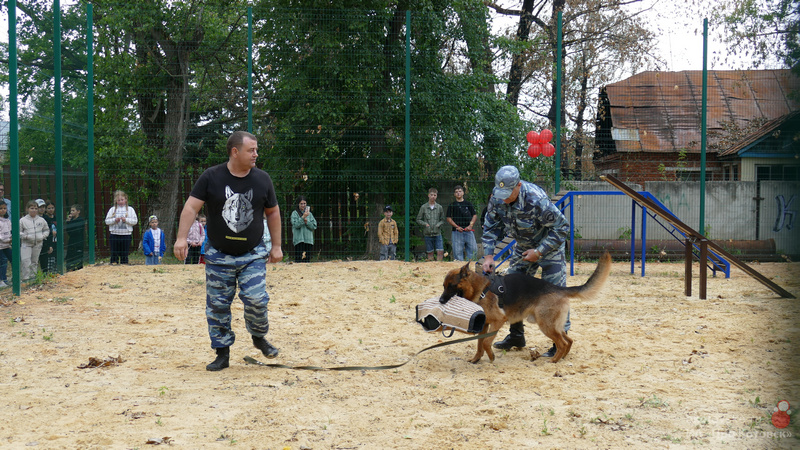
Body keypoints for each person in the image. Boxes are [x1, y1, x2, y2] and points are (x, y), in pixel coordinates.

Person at [174, 130, 283, 372]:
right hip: (218, 253)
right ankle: (222, 353)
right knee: (218, 305)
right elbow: (191, 208)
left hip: (252, 253)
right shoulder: (211, 177)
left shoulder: (262, 179)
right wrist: (181, 238)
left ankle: (258, 336)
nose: (256, 154)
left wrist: (276, 246)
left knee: (256, 299)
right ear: (235, 152)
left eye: (256, 149)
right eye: (251, 150)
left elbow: (273, 212)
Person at [481, 165, 570, 358]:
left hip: (549, 248)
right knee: (510, 287)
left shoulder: (536, 199)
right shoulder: (497, 198)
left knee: (554, 294)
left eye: (508, 193)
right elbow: (490, 227)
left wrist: (539, 252)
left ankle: (560, 343)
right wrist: (489, 256)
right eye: (501, 193)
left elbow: (562, 228)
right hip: (522, 247)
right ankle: (516, 336)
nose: (504, 198)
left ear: (518, 186)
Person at [105, 190, 138, 264]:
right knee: (114, 253)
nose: (120, 201)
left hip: (126, 235)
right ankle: (114, 266)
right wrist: (114, 220)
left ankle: (124, 267)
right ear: (116, 201)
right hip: (114, 234)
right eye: (118, 200)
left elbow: (135, 221)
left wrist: (126, 220)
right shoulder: (112, 210)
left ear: (126, 200)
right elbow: (107, 221)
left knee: (124, 253)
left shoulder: (130, 210)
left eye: (122, 200)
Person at [446, 185, 478, 261]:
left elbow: (474, 215)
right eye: (456, 192)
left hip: (468, 231)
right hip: (457, 232)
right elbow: (448, 218)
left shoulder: (468, 204)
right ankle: (460, 270)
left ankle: (470, 268)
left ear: (463, 192)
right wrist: (456, 226)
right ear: (454, 194)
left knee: (473, 250)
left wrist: (470, 226)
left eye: (460, 191)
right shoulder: (452, 205)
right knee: (457, 253)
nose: (458, 193)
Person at [20, 200, 50, 281]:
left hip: (38, 243)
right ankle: (26, 278)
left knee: (34, 261)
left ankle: (33, 278)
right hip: (26, 244)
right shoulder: (23, 220)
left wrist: (42, 236)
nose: (34, 210)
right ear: (27, 209)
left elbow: (46, 230)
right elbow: (19, 232)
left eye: (35, 208)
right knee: (25, 261)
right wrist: (26, 236)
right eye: (32, 208)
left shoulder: (41, 220)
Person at [416, 187, 446, 261]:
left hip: (437, 233)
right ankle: (431, 266)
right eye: (431, 195)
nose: (433, 196)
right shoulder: (423, 207)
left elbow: (443, 220)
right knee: (430, 252)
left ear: (436, 196)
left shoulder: (439, 207)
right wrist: (425, 224)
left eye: (435, 195)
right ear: (428, 195)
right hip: (427, 233)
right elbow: (418, 219)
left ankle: (439, 266)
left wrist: (438, 224)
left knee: (440, 251)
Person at [290, 196, 317, 263]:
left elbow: (314, 226)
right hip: (299, 240)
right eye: (301, 203)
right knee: (298, 261)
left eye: (304, 203)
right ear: (298, 204)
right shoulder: (294, 213)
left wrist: (307, 222)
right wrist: (303, 218)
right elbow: (296, 225)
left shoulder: (310, 214)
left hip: (308, 240)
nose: (303, 205)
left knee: (307, 262)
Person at [65, 204, 85, 271]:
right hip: (71, 241)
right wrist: (68, 222)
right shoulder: (70, 220)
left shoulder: (80, 220)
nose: (71, 212)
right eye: (71, 210)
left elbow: (77, 231)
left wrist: (71, 223)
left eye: (73, 210)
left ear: (78, 211)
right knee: (70, 257)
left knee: (78, 258)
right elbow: (68, 231)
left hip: (78, 242)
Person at [40, 200, 57, 273]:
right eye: (49, 208)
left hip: (54, 240)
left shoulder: (54, 218)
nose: (51, 210)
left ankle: (54, 272)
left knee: (54, 257)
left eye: (52, 208)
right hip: (45, 241)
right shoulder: (44, 218)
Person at [0, 202, 11, 287]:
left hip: (7, 245)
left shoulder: (7, 220)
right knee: (2, 262)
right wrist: (5, 239)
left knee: (12, 259)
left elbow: (10, 231)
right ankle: (2, 280)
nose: (3, 210)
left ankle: (6, 278)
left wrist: (10, 238)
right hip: (1, 245)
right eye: (1, 208)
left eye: (4, 208)